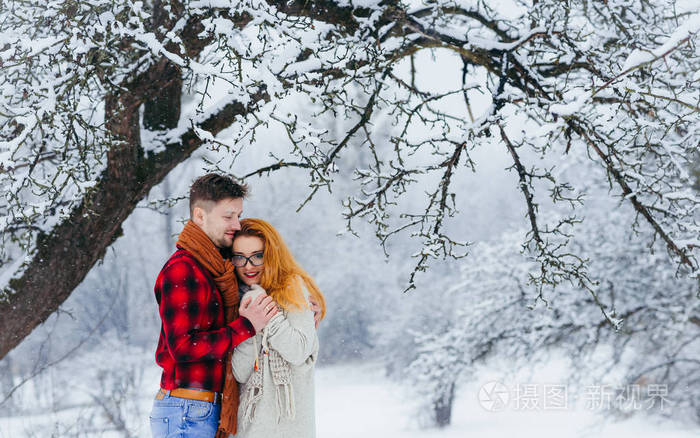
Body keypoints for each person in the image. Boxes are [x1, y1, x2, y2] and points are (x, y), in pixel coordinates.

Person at [150, 174, 279, 438]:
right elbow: (184, 347)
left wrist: (305, 304)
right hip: (187, 411)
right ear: (200, 215)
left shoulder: (214, 268)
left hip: (200, 408)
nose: (237, 224)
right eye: (228, 216)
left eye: (239, 215)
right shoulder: (184, 269)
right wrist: (245, 327)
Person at [230, 218, 326, 438]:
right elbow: (240, 371)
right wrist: (250, 324)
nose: (248, 265)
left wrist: (267, 313)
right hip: (252, 428)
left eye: (257, 256)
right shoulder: (237, 300)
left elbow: (298, 351)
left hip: (291, 428)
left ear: (270, 254)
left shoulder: (292, 288)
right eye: (239, 257)